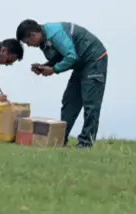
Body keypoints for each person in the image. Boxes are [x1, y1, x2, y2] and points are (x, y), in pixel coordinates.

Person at [16, 19, 108, 148]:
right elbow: (60, 56)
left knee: (90, 103)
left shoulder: (54, 34)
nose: (29, 45)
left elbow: (71, 56)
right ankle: (59, 139)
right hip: (81, 64)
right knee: (69, 101)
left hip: (94, 60)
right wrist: (45, 66)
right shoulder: (44, 39)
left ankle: (86, 143)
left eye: (27, 42)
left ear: (33, 35)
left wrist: (54, 70)